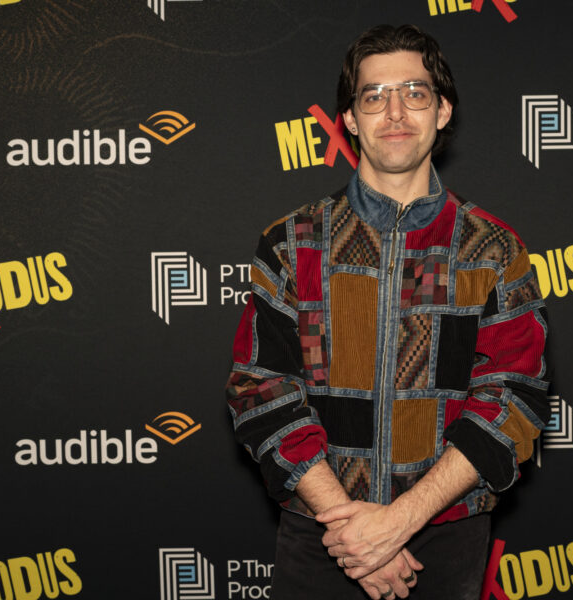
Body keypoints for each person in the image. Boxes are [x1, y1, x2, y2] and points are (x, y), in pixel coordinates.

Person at [225, 24, 549, 600]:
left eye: (414, 92)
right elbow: (262, 388)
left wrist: (399, 521)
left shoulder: (493, 249)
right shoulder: (293, 243)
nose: (395, 112)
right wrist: (351, 530)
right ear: (350, 119)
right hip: (322, 533)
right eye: (374, 96)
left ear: (442, 110)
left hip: (445, 536)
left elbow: (512, 398)